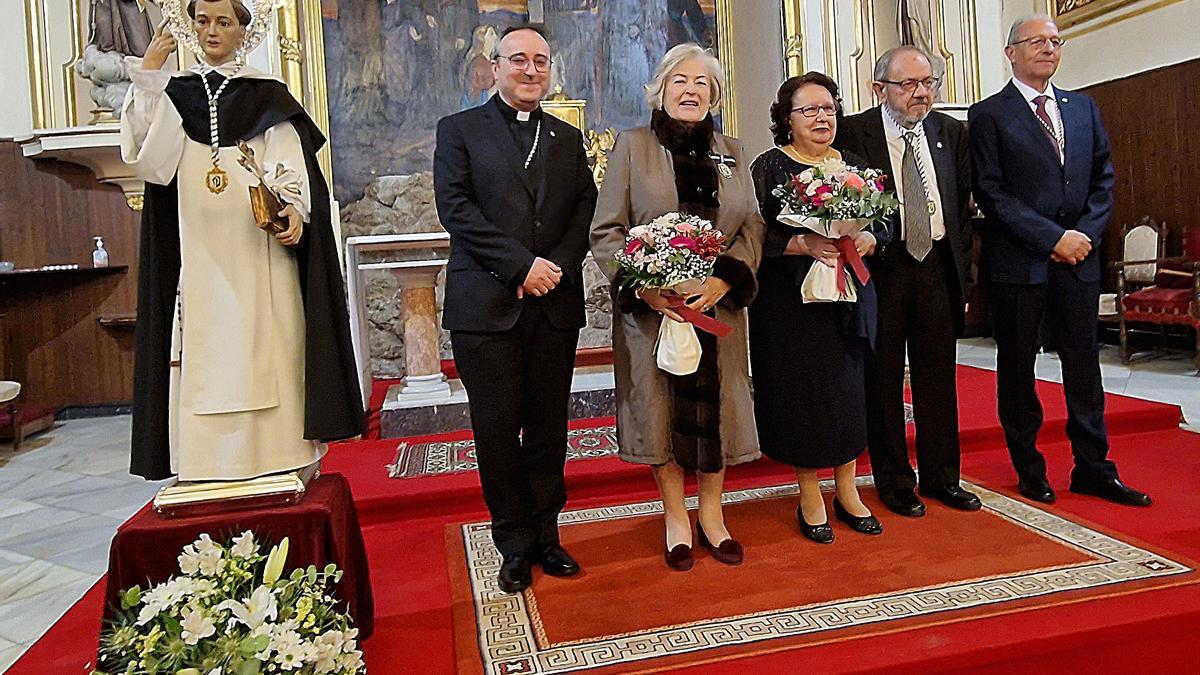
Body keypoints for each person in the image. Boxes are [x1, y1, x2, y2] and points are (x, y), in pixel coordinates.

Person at [121, 0, 365, 482]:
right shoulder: (175, 94)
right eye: (202, 20)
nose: (211, 31)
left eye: (224, 22)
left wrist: (293, 208)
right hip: (200, 252)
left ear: (243, 32)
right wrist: (149, 76)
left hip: (260, 253)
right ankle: (207, 459)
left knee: (269, 340)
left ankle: (278, 452)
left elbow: (291, 166)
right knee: (209, 344)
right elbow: (149, 161)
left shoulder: (267, 96)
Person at [434, 26, 598, 593]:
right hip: (486, 307)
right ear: (494, 65)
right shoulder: (458, 131)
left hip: (552, 304)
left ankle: (548, 535)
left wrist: (553, 266)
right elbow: (455, 209)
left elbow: (584, 209)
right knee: (499, 431)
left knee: (550, 430)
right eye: (519, 60)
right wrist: (520, 266)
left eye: (541, 62)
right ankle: (513, 541)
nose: (531, 71)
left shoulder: (565, 137)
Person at [591, 43, 763, 571]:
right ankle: (674, 517)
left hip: (717, 311)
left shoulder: (731, 150)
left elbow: (751, 226)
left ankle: (712, 513)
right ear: (660, 91)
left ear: (714, 95)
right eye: (680, 81)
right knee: (659, 409)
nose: (691, 91)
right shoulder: (632, 146)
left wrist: (725, 280)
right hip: (654, 314)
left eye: (702, 84)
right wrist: (642, 286)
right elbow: (606, 230)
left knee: (722, 413)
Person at [969, 14, 1151, 507]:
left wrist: (1082, 237)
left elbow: (1103, 180)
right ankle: (1029, 467)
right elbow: (992, 191)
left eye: (1055, 41)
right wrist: (1053, 238)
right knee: (1018, 367)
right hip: (1020, 262)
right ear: (1011, 53)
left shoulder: (1083, 108)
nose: (1049, 49)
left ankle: (1095, 467)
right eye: (1036, 42)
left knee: (1083, 366)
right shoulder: (988, 114)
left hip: (1078, 261)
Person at [834, 46, 981, 517]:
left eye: (928, 83)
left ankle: (943, 478)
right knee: (883, 380)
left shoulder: (950, 132)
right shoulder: (856, 132)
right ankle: (895, 481)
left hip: (936, 267)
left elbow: (960, 211)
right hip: (882, 271)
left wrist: (963, 278)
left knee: (938, 377)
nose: (921, 93)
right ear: (880, 89)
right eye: (908, 85)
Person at [749, 73, 888, 544]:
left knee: (849, 394)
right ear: (786, 120)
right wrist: (801, 242)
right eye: (808, 110)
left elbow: (884, 218)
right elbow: (753, 236)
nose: (821, 117)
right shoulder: (769, 167)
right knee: (803, 399)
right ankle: (809, 493)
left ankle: (848, 490)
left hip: (847, 302)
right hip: (791, 308)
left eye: (828, 108)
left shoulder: (853, 165)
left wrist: (868, 236)